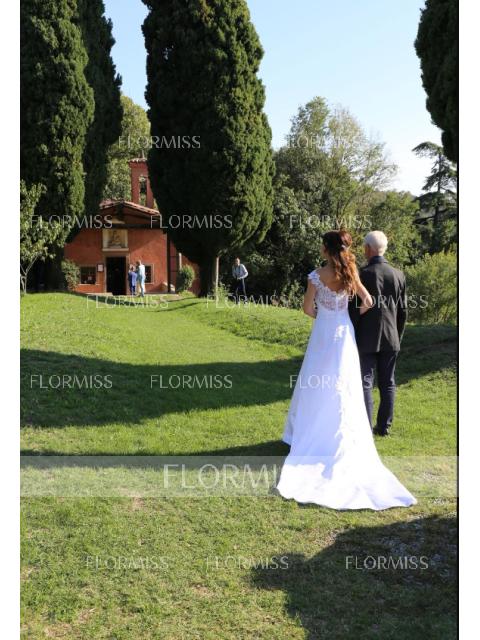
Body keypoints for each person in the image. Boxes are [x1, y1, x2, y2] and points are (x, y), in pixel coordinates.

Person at [276, 229, 416, 510]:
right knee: (344, 383)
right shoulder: (352, 273)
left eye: (322, 245)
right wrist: (346, 317)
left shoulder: (316, 276)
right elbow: (369, 302)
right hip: (344, 332)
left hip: (323, 333)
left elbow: (307, 308)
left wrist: (323, 316)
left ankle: (308, 432)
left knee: (315, 382)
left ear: (326, 249)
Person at [348, 231, 407, 436]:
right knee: (388, 382)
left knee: (365, 382)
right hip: (391, 336)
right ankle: (384, 426)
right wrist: (397, 336)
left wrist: (351, 330)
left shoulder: (362, 274)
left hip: (365, 337)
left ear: (368, 248)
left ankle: (365, 426)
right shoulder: (398, 274)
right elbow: (403, 311)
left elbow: (354, 308)